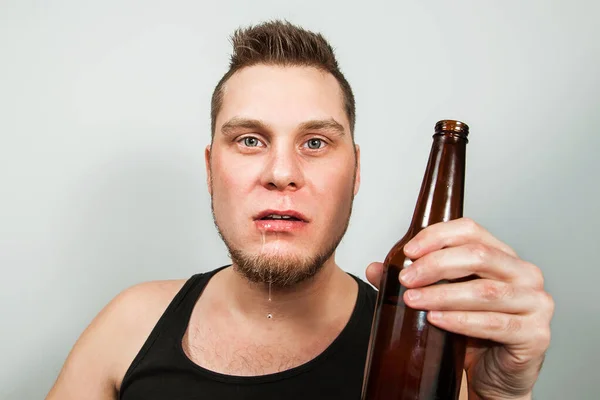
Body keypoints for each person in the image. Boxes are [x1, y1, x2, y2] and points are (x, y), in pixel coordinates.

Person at [46, 20, 554, 400]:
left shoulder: (425, 357)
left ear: (355, 173)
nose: (282, 172)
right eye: (250, 139)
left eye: (314, 142)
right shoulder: (128, 325)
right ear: (209, 169)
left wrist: (502, 399)